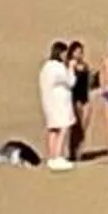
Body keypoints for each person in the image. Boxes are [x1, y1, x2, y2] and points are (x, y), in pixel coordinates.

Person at [38, 41, 77, 169]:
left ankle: (52, 156)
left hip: (49, 102)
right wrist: (71, 67)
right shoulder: (58, 67)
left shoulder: (46, 67)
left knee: (53, 130)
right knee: (63, 128)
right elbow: (71, 81)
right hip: (60, 103)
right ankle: (58, 156)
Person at [65, 37, 98, 159]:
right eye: (77, 51)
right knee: (75, 127)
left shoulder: (85, 65)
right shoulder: (69, 65)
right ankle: (73, 151)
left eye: (81, 51)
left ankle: (79, 150)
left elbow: (89, 82)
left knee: (84, 126)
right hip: (75, 98)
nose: (79, 54)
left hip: (85, 97)